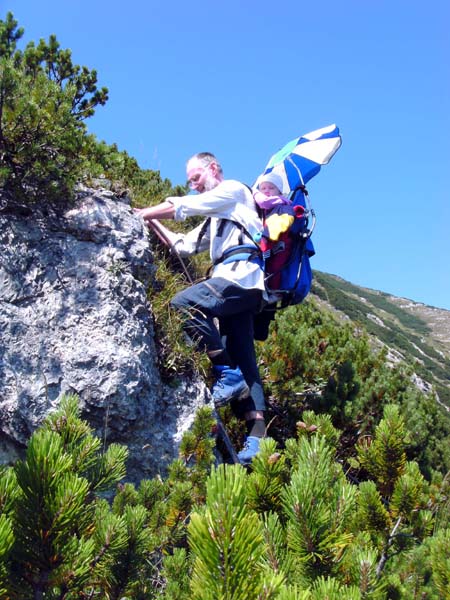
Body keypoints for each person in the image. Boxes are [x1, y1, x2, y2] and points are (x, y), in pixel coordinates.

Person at [135, 152, 268, 464]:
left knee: (182, 304)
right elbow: (181, 245)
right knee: (244, 355)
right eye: (190, 182)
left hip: (239, 278)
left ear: (213, 168)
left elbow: (184, 207)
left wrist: (143, 214)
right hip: (246, 287)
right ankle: (259, 440)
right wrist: (150, 218)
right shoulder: (219, 217)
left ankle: (226, 374)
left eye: (195, 178)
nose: (193, 186)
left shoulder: (234, 191)